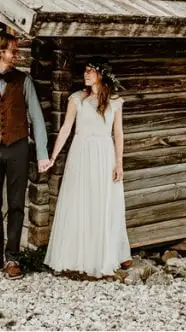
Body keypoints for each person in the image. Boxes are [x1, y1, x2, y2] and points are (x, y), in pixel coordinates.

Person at [0, 30, 50, 280]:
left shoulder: (24, 82)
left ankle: (13, 258)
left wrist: (42, 153)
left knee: (16, 205)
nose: (17, 55)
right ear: (0, 51)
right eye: (14, 51)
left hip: (18, 149)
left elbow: (36, 119)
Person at [43, 57, 132, 277]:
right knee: (82, 200)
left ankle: (111, 254)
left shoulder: (115, 101)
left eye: (91, 70)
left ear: (101, 75)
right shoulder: (78, 99)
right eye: (85, 70)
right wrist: (53, 156)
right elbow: (66, 129)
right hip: (82, 152)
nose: (86, 74)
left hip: (105, 152)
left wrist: (119, 163)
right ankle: (79, 255)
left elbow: (118, 133)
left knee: (105, 201)